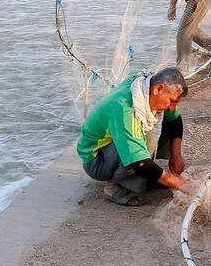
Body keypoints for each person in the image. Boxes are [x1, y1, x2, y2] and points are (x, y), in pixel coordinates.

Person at [77, 67, 194, 206]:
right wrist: (181, 184)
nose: (171, 107)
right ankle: (113, 187)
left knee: (155, 129)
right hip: (96, 160)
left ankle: (143, 177)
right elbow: (139, 162)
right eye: (172, 101)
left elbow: (174, 120)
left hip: (112, 146)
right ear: (159, 89)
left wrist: (176, 155)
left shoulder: (144, 87)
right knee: (143, 145)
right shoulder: (125, 107)